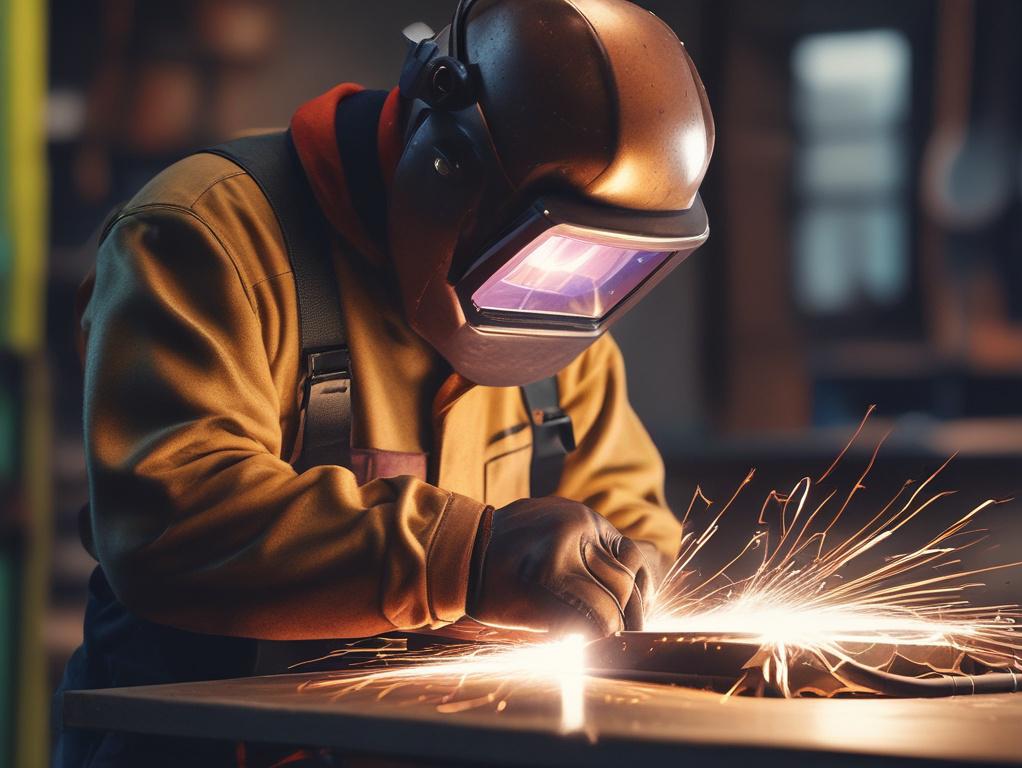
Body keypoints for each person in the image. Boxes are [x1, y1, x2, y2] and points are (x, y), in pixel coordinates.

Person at [55, 0, 713, 764]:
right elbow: (171, 521)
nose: (560, 290)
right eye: (542, 252)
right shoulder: (202, 237)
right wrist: (468, 558)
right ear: (446, 170)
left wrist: (623, 578)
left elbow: (632, 520)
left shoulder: (566, 304)